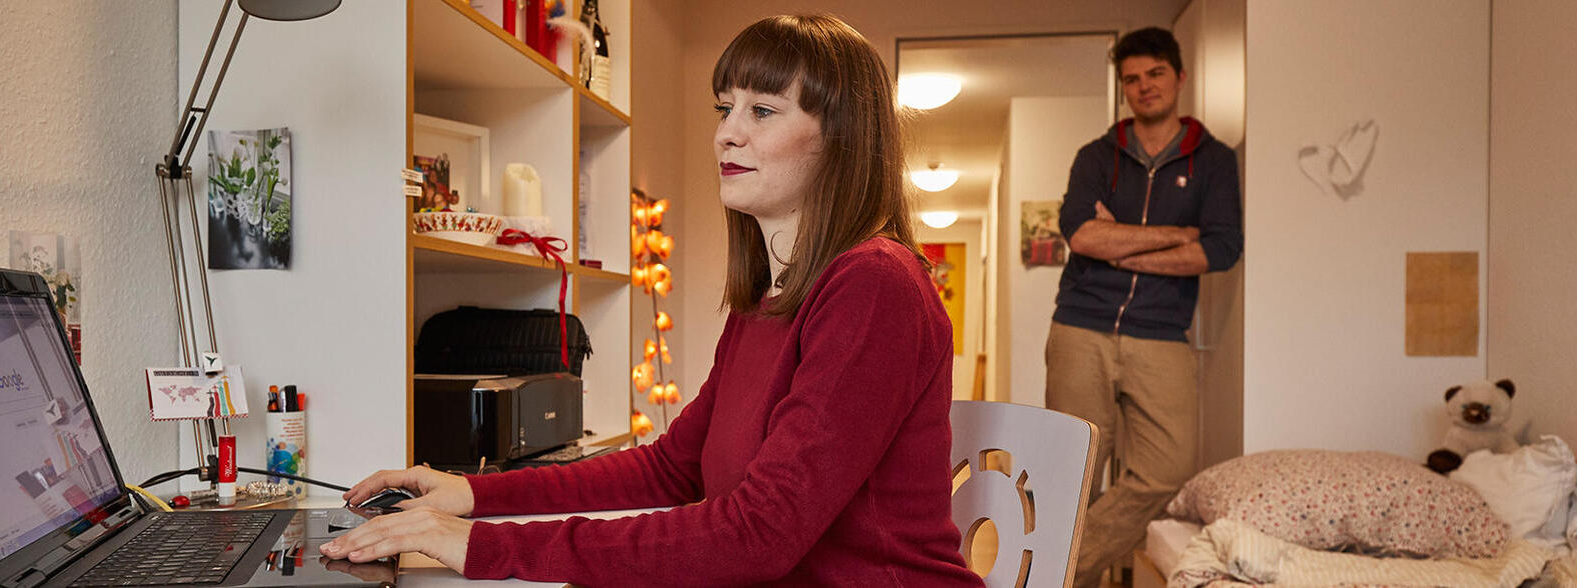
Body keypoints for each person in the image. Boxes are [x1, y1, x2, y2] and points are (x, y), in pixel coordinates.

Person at [322, 14, 981, 586]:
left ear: (841, 136)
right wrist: (469, 494)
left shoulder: (875, 286)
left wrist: (481, 546)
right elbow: (673, 469)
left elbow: (761, 533)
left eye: (763, 110)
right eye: (726, 109)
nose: (726, 133)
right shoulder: (770, 299)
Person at [1047, 26, 1242, 588]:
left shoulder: (1213, 161)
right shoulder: (1095, 156)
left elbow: (1221, 248)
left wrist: (1123, 242)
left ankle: (1055, 568)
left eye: (1154, 73)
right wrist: (1174, 235)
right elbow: (1081, 237)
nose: (1143, 86)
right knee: (1072, 471)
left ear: (1180, 77)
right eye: (1131, 78)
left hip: (1162, 333)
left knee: (1167, 471)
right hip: (1080, 326)